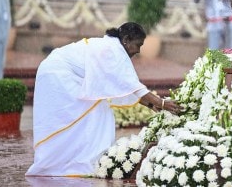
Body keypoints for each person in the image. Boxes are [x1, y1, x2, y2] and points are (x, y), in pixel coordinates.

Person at [25, 22, 181, 177]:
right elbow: (131, 84)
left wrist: (148, 103)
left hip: (58, 74)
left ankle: (78, 160)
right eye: (137, 45)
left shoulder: (113, 47)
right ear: (126, 39)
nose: (138, 51)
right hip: (57, 75)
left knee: (97, 112)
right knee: (97, 113)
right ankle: (85, 161)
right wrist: (160, 102)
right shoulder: (113, 50)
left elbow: (120, 85)